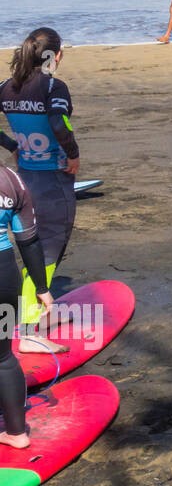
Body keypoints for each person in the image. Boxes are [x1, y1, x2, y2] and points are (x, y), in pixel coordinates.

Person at [0, 27, 78, 354]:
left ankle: (34, 311)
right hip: (52, 180)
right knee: (47, 251)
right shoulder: (53, 86)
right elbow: (60, 123)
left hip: (24, 179)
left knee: (33, 243)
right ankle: (29, 330)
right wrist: (73, 155)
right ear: (55, 56)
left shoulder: (7, 87)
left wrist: (11, 145)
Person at [0, 167, 52, 448]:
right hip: (4, 276)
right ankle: (17, 433)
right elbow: (28, 240)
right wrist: (42, 289)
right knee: (3, 357)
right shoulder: (11, 179)